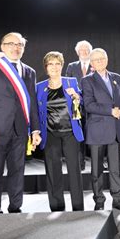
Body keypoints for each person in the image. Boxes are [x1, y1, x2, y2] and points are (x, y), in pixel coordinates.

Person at [0, 32, 41, 214]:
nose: (15, 47)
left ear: (23, 48)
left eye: (19, 44)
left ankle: (15, 206)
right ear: (2, 47)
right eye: (11, 44)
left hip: (20, 130)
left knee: (17, 172)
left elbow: (32, 103)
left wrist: (35, 129)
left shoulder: (29, 72)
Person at [81, 48, 120, 211]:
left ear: (107, 59)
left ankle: (118, 199)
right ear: (91, 63)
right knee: (97, 170)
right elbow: (88, 105)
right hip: (97, 131)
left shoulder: (117, 78)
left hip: (115, 130)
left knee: (115, 169)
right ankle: (99, 200)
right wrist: (110, 111)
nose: (100, 61)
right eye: (96, 60)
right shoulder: (87, 80)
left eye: (102, 58)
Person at [36, 51, 85, 211]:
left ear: (62, 66)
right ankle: (57, 207)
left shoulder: (71, 82)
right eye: (51, 64)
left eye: (58, 64)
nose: (55, 67)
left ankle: (78, 207)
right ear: (46, 67)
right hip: (50, 134)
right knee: (53, 171)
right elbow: (36, 112)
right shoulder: (39, 87)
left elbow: (81, 102)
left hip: (70, 133)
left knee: (74, 171)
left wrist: (77, 97)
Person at [66, 40, 93, 170]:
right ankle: (80, 163)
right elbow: (67, 85)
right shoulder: (71, 67)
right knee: (79, 136)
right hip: (77, 106)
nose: (84, 52)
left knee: (94, 135)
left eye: (87, 49)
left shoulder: (96, 65)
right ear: (77, 52)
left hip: (93, 105)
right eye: (81, 50)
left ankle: (98, 163)